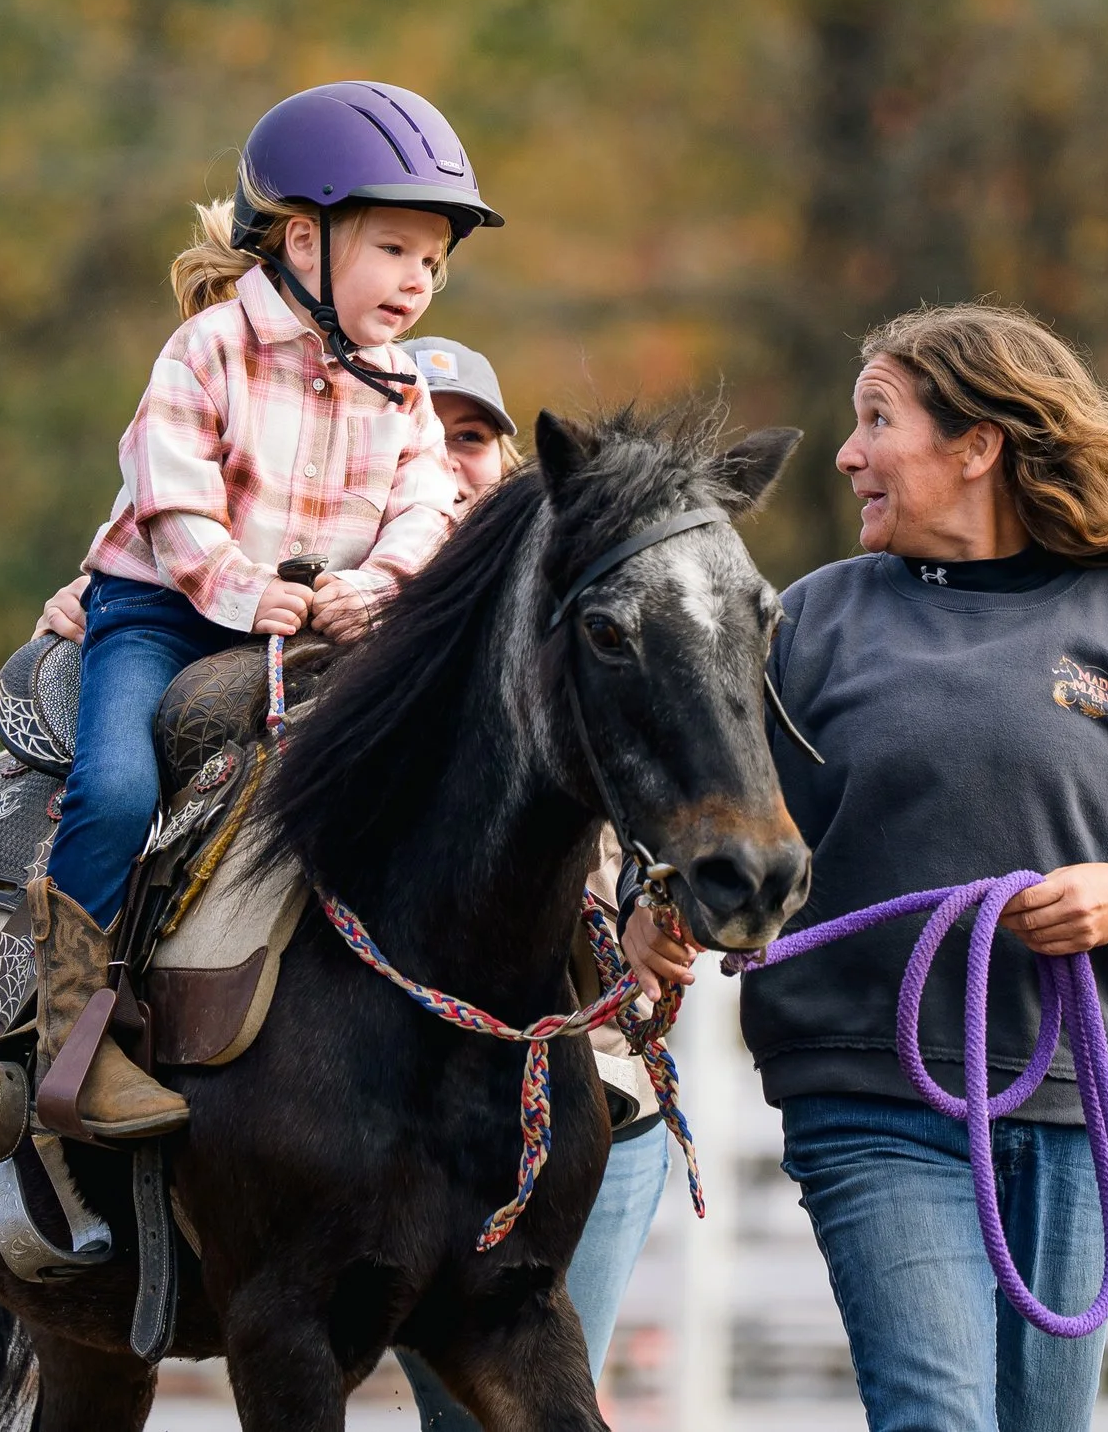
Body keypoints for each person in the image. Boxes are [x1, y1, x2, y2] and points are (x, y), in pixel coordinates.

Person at [624, 304, 1108, 1432]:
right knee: (936, 1415)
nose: (845, 452)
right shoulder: (806, 624)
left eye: (876, 420)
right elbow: (717, 828)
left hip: (1070, 1099)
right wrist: (663, 908)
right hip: (868, 1093)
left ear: (976, 444)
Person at [34, 338, 671, 1423]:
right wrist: (151, 591)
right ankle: (70, 1028)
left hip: (550, 1093)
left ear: (514, 463)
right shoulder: (394, 611)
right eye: (441, 438)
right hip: (389, 1101)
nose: (458, 463)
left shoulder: (564, 611)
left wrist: (655, 909)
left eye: (479, 438)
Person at [34, 81, 497, 1140]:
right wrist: (252, 592)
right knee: (113, 790)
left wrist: (371, 586)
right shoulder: (204, 352)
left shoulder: (401, 387)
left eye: (433, 260)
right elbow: (172, 506)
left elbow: (425, 504)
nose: (417, 280)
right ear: (304, 235)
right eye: (393, 249)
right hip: (167, 612)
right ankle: (62, 1029)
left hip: (321, 626)